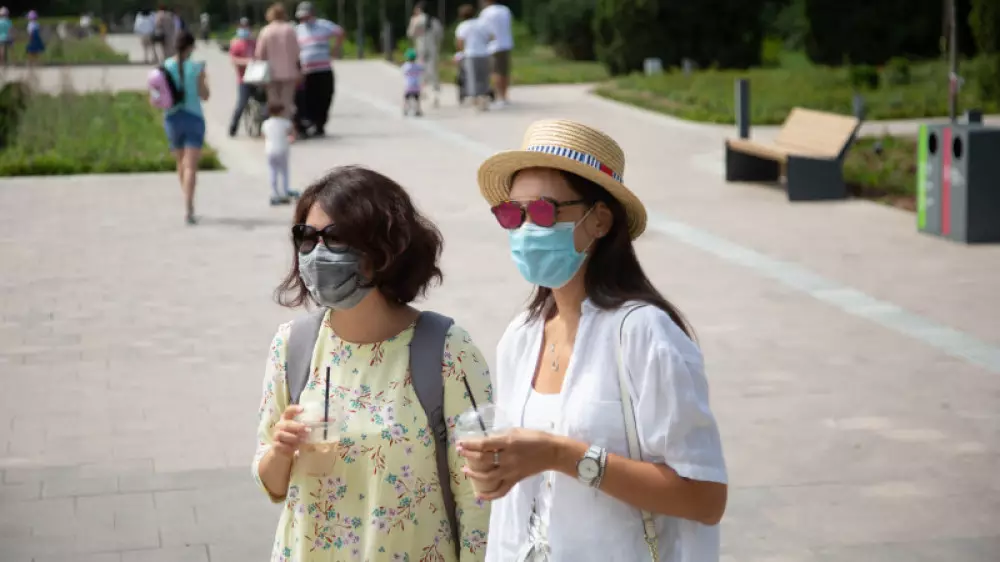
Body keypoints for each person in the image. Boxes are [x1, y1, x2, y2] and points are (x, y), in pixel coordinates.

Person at [461, 119, 728, 561]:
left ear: (600, 219)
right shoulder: (521, 337)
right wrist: (497, 472)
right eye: (513, 214)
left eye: (544, 211)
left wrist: (561, 455)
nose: (526, 229)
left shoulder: (644, 334)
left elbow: (704, 498)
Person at [254, 165, 492, 561]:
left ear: (384, 249)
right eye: (307, 238)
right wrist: (280, 450)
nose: (317, 253)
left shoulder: (448, 350)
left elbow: (479, 496)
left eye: (335, 238)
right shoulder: (291, 346)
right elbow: (272, 486)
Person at [161, 31, 210, 225]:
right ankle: (189, 207)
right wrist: (204, 78)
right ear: (191, 47)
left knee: (181, 162)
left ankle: (186, 201)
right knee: (191, 166)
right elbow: (205, 95)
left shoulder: (166, 66)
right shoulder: (196, 67)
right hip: (194, 118)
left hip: (172, 118)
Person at [294, 1, 343, 137]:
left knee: (325, 97)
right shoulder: (297, 30)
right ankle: (309, 123)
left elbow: (339, 32)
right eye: (301, 16)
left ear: (312, 14)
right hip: (307, 71)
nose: (304, 19)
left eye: (306, 15)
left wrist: (335, 49)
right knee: (309, 99)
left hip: (323, 69)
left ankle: (320, 124)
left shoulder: (323, 25)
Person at [255, 3, 300, 120]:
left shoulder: (266, 31)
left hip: (271, 73)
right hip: (289, 72)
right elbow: (297, 52)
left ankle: (275, 125)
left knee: (274, 102)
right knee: (287, 102)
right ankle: (286, 125)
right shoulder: (290, 30)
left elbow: (259, 54)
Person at [406, 1, 443, 108]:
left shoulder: (416, 20)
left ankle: (422, 92)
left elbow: (410, 34)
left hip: (420, 48)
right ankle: (435, 95)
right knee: (433, 72)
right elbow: (440, 36)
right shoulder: (435, 21)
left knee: (420, 71)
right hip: (432, 49)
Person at [455, 4, 491, 111]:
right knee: (483, 77)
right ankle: (484, 97)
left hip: (471, 54)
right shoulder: (482, 24)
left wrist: (460, 53)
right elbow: (490, 37)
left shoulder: (463, 26)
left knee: (472, 77)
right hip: (484, 53)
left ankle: (476, 99)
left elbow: (460, 42)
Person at [478, 0, 513, 108]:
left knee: (495, 72)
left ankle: (499, 97)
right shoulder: (505, 10)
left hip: (493, 46)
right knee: (504, 72)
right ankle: (504, 96)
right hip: (506, 44)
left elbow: (482, 28)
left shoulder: (486, 12)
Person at [261, 102, 298, 206]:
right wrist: (291, 139)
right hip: (282, 149)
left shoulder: (266, 123)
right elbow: (293, 134)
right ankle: (284, 192)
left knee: (272, 171)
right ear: (281, 112)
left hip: (270, 150)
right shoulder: (286, 122)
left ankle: (274, 193)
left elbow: (263, 136)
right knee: (284, 172)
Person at [228, 18, 256, 136]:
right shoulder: (236, 44)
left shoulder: (254, 43)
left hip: (257, 78)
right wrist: (246, 62)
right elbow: (233, 60)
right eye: (242, 27)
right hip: (243, 79)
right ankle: (233, 127)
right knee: (242, 103)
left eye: (246, 27)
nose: (244, 29)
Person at [401, 47, 424, 117]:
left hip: (408, 85)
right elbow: (422, 70)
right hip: (416, 85)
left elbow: (403, 72)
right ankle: (417, 110)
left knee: (406, 98)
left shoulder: (406, 66)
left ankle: (405, 109)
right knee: (417, 98)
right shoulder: (417, 66)